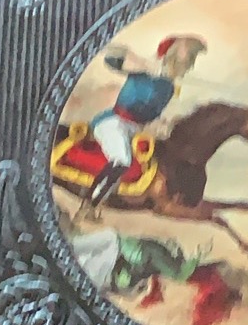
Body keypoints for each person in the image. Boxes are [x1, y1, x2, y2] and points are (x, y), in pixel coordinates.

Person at [87, 33, 207, 210]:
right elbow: (111, 59)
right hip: (115, 123)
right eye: (188, 62)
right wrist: (141, 64)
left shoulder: (168, 88)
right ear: (173, 59)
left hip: (137, 130)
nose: (189, 68)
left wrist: (162, 124)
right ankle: (90, 204)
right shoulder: (143, 70)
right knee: (122, 160)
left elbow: (153, 116)